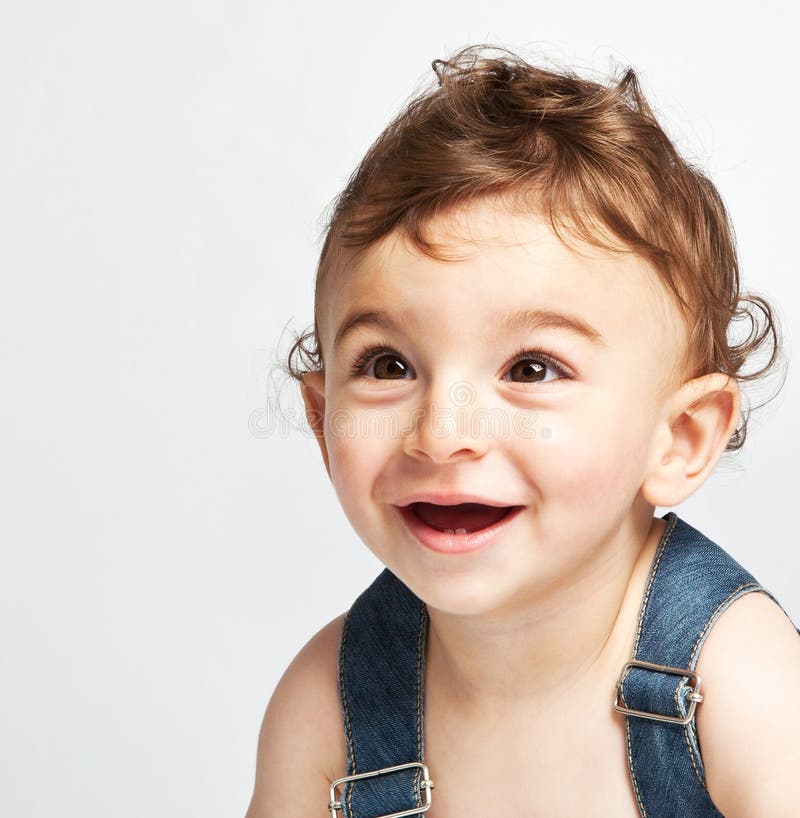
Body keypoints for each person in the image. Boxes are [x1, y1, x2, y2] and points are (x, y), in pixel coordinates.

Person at [244, 44, 800, 817]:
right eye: (387, 366)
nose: (441, 435)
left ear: (679, 439)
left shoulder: (738, 686)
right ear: (320, 415)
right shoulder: (330, 710)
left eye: (532, 369)